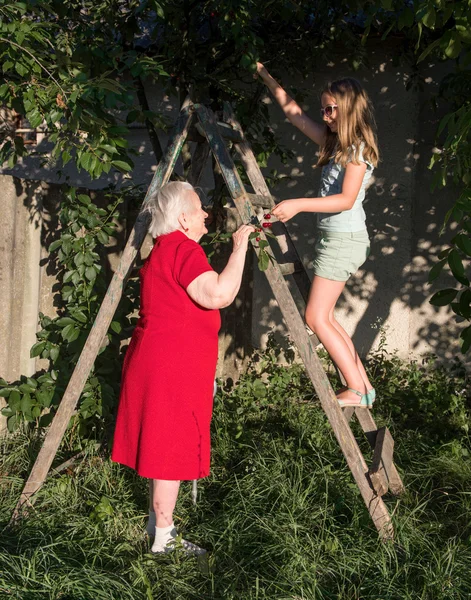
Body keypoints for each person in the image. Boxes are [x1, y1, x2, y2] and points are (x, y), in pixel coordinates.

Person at [111, 181, 254, 554]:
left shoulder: (164, 250)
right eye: (199, 207)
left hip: (162, 361)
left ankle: (156, 525)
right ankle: (164, 539)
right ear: (183, 218)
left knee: (162, 446)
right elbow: (219, 294)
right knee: (170, 451)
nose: (206, 213)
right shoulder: (183, 249)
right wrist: (239, 250)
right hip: (170, 367)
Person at [256, 62, 379, 408]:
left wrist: (297, 204)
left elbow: (346, 200)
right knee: (325, 316)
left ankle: (356, 389)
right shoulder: (335, 143)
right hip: (338, 240)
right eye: (322, 108)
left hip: (343, 241)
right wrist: (267, 77)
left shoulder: (356, 151)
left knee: (314, 317)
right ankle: (364, 387)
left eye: (329, 109)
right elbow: (296, 116)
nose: (323, 115)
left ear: (348, 108)